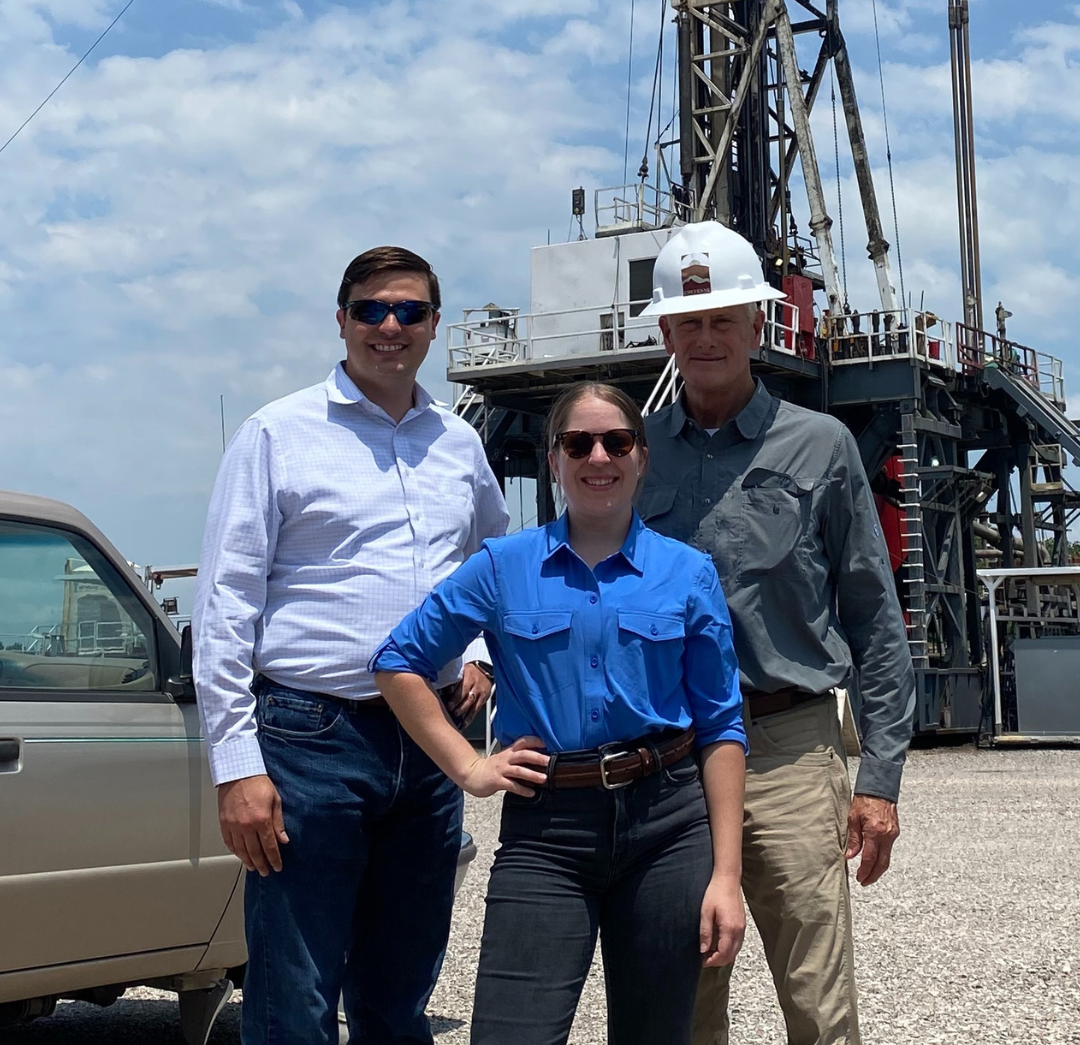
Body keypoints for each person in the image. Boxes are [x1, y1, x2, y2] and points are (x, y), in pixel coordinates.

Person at [191, 245, 509, 1045]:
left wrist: (479, 654)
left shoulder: (458, 445)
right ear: (341, 321)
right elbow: (226, 603)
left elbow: (494, 567)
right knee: (294, 998)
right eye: (371, 309)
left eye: (409, 311)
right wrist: (237, 769)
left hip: (430, 738)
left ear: (434, 326)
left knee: (399, 1000)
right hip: (310, 736)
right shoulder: (277, 435)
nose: (389, 326)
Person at [370, 382, 748, 1045]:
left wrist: (726, 875)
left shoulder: (689, 574)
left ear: (641, 457)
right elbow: (398, 661)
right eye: (579, 443)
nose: (597, 456)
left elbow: (720, 728)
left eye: (616, 442)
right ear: (554, 460)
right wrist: (468, 768)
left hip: (668, 826)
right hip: (547, 830)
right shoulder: (501, 566)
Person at [639, 221, 916, 1045]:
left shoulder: (821, 446)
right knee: (683, 998)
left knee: (815, 998)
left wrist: (880, 780)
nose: (707, 335)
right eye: (689, 321)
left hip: (788, 747)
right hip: (672, 759)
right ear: (665, 332)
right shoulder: (632, 451)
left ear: (761, 326)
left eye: (725, 317)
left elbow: (873, 616)